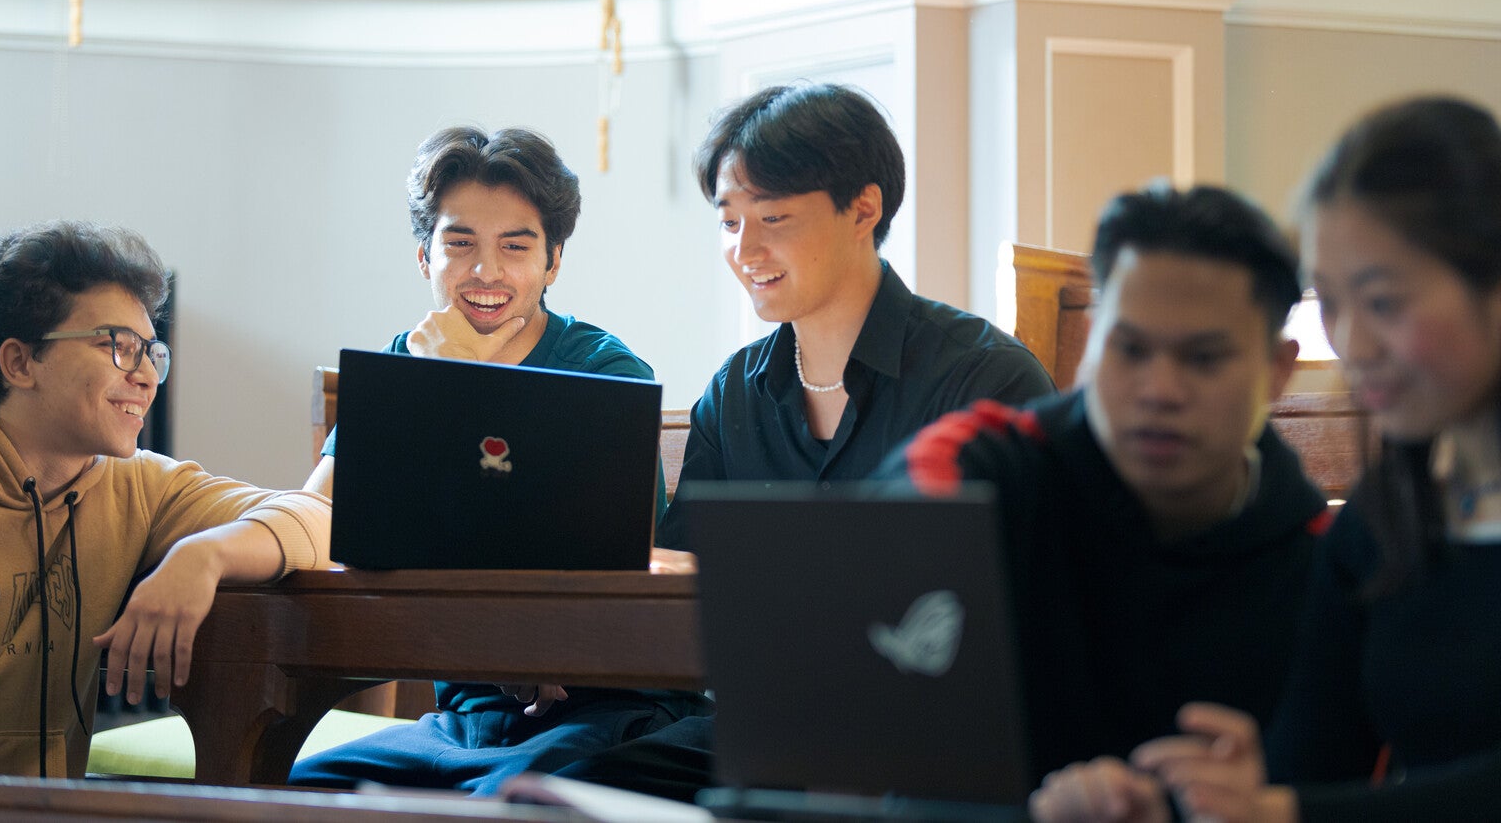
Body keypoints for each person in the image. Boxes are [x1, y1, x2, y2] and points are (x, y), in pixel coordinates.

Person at [554, 81, 1055, 799]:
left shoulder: (985, 380)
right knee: (576, 788)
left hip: (940, 744)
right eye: (729, 222)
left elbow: (1042, 605)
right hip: (768, 730)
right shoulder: (732, 394)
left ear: (864, 209)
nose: (744, 249)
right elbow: (688, 585)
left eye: (775, 217)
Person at [1085, 98, 1501, 823]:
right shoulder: (1385, 518)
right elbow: (1308, 766)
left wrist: (1283, 811)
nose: (1353, 345)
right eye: (1332, 303)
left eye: (1383, 302)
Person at [289, 125, 706, 795]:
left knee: (505, 803)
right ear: (424, 257)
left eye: (516, 246)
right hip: (470, 716)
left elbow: (626, 569)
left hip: (608, 706)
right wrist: (432, 387)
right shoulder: (406, 362)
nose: (486, 272)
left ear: (553, 260)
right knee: (295, 789)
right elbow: (318, 516)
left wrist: (459, 392)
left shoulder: (604, 371)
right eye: (460, 244)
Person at [892, 183, 1330, 815]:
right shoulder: (984, 465)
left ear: (1278, 371)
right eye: (1130, 349)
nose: (1159, 390)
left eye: (1204, 358)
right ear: (1093, 342)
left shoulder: (1320, 561)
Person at [0, 221, 332, 778]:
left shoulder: (135, 487)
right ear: (19, 363)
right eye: (119, 348)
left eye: (152, 353)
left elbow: (317, 518)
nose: (148, 376)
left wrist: (204, 555)